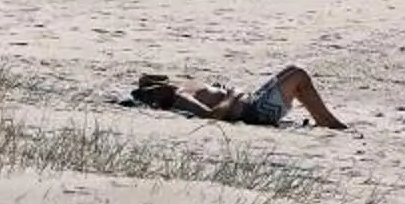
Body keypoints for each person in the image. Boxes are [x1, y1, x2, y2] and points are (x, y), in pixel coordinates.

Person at [122, 66, 349, 129]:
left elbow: (144, 79)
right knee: (299, 76)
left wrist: (150, 83)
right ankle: (329, 122)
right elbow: (212, 116)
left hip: (252, 100)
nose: (162, 86)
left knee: (293, 72)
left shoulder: (180, 87)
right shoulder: (180, 97)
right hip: (254, 112)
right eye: (157, 90)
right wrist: (231, 95)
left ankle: (324, 120)